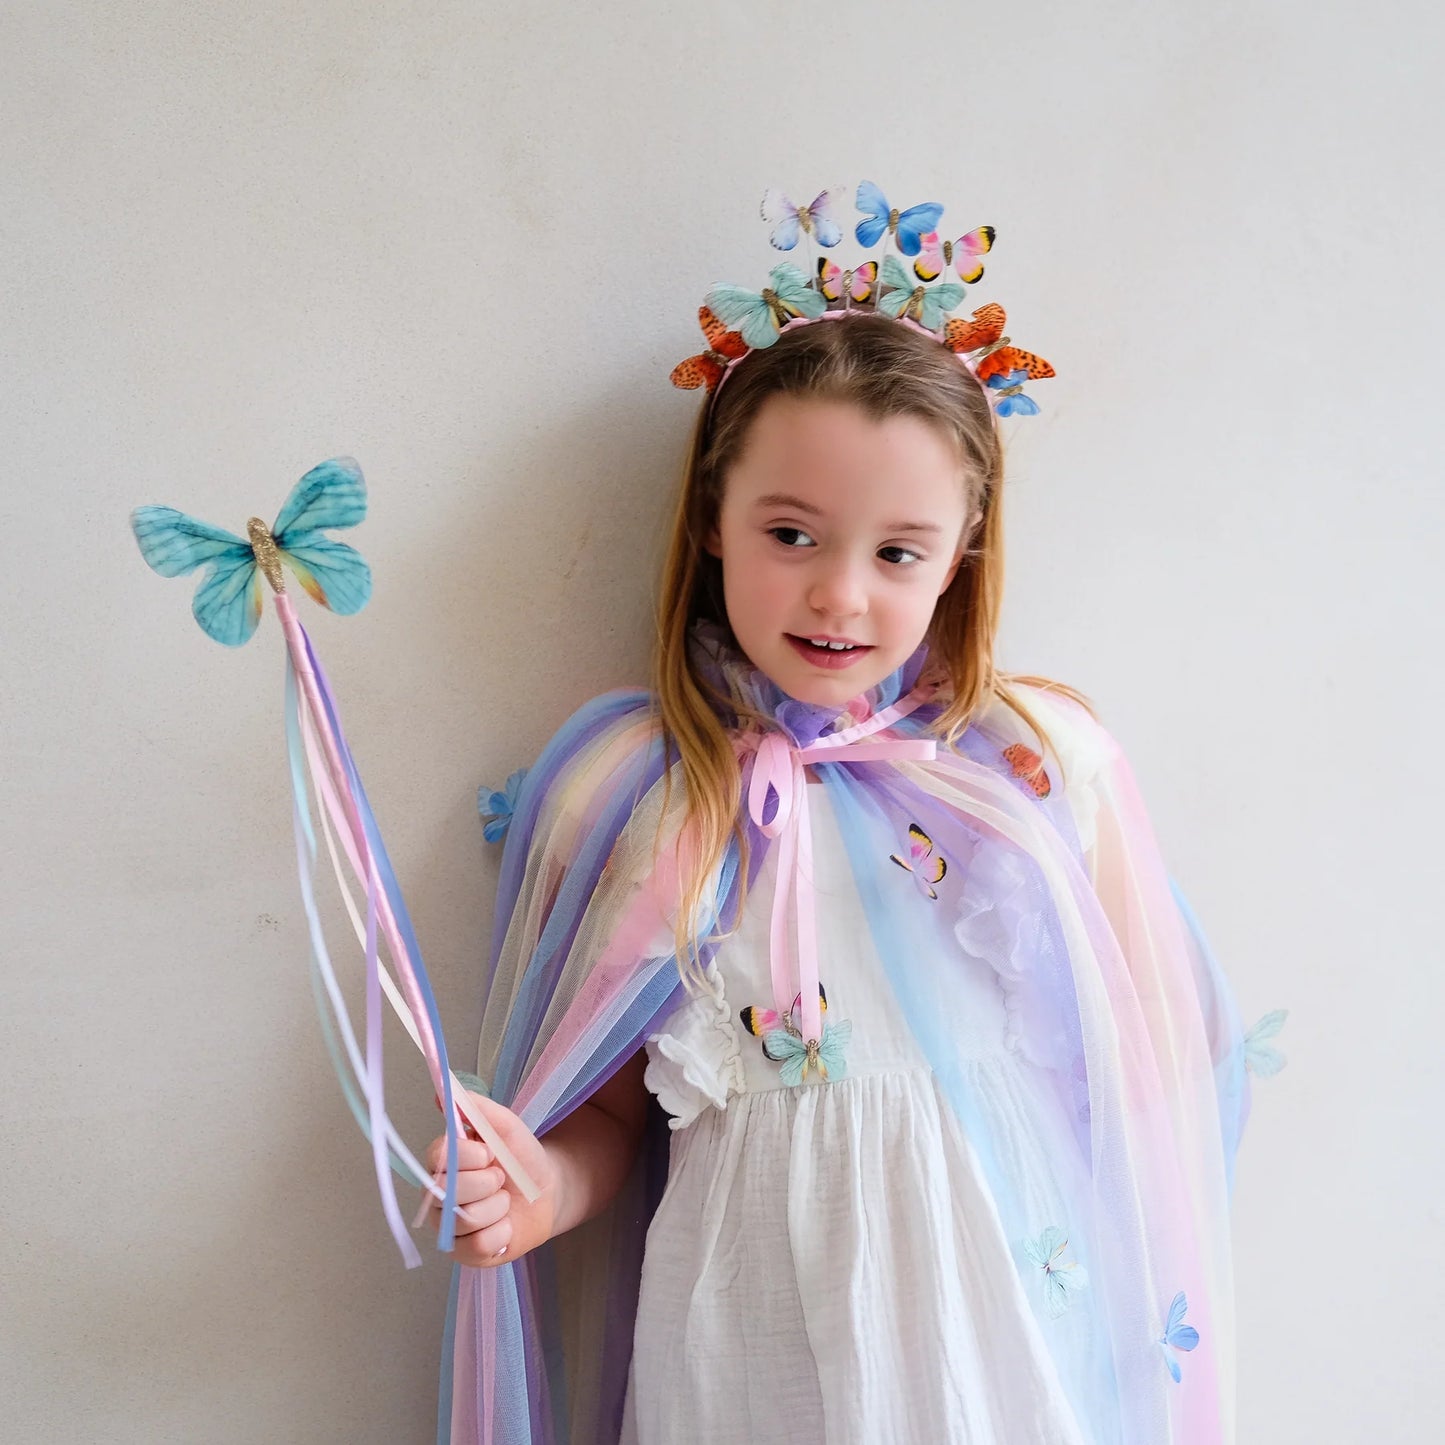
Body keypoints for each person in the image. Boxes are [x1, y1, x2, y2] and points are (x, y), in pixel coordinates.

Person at [424, 185, 1262, 1445]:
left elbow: (1152, 1075)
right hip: (751, 1343)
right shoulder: (646, 795)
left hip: (1001, 1338)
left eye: (896, 551)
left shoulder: (1032, 772)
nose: (838, 594)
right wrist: (534, 1184)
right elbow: (602, 1112)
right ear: (711, 518)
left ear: (961, 551)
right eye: (791, 532)